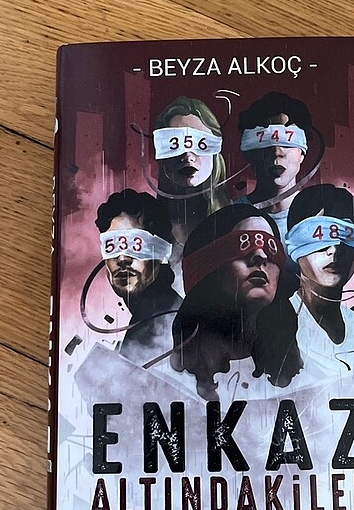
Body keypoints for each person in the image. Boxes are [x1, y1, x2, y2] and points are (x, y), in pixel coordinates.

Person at [170, 204, 302, 399]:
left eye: (270, 248)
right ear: (208, 269)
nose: (261, 256)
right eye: (243, 246)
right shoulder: (165, 380)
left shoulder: (309, 374)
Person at [285, 184, 354, 373]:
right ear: (293, 245)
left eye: (347, 238)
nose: (334, 250)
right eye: (319, 238)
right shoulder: (276, 324)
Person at [95, 189, 182, 365]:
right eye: (112, 246)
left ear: (162, 251)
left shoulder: (162, 323)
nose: (122, 259)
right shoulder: (148, 317)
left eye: (136, 245)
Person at [153, 97, 230, 292]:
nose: (188, 156)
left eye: (200, 144)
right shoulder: (149, 228)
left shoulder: (238, 223)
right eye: (175, 144)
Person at [236, 91, 319, 239]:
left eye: (287, 142)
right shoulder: (231, 217)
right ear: (249, 154)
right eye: (266, 143)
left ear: (302, 153)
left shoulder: (320, 216)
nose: (277, 152)